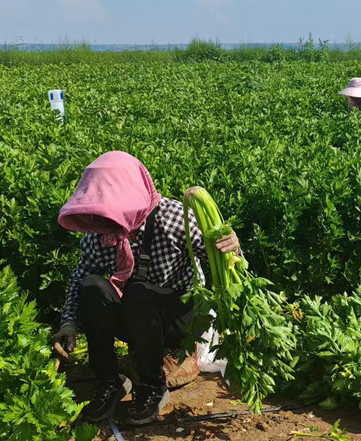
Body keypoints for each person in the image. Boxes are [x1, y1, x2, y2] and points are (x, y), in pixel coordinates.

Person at [51, 151, 240, 425]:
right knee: (92, 287)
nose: (105, 221)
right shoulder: (101, 232)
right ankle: (111, 381)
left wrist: (232, 247)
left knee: (139, 291)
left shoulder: (174, 218)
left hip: (178, 318)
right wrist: (68, 323)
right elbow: (80, 276)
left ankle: (153, 387)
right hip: (136, 318)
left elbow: (227, 263)